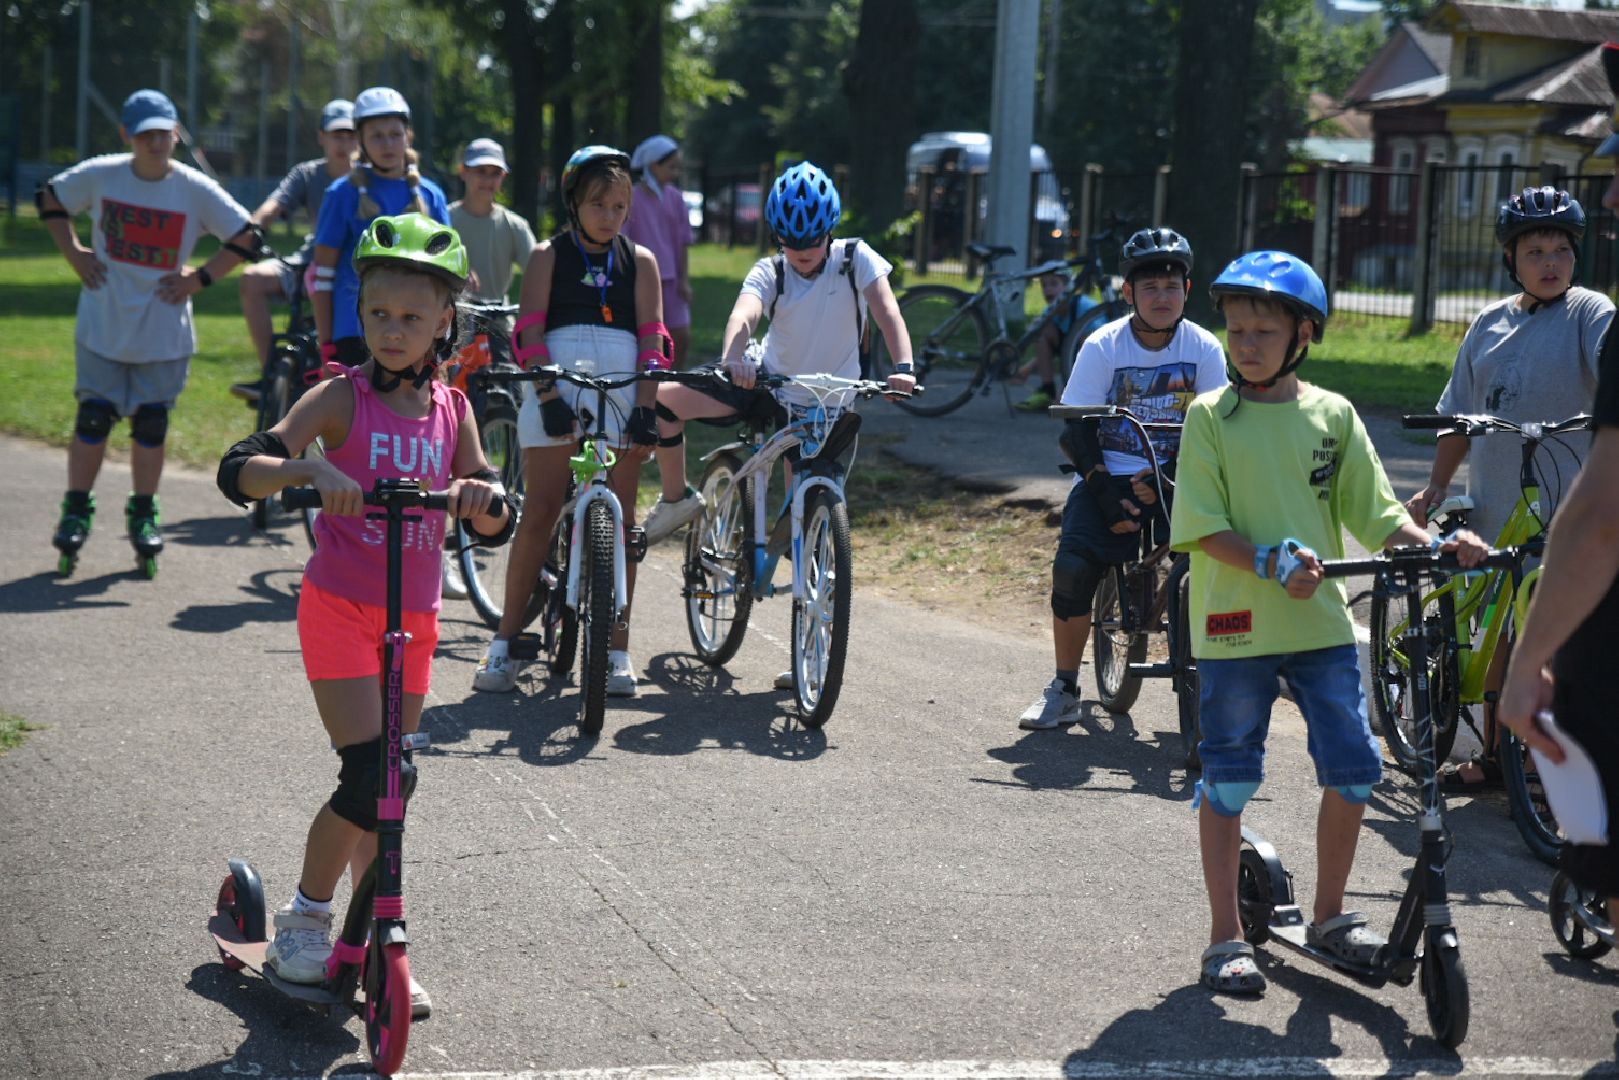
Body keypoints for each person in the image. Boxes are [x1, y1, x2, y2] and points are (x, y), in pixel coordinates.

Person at [215, 213, 515, 1009]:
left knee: (396, 780)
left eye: (411, 317)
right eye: (377, 312)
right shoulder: (339, 398)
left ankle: (376, 935)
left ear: (443, 322)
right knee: (368, 771)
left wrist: (485, 500)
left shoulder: (452, 410)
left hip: (414, 620)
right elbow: (240, 468)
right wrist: (307, 471)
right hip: (341, 609)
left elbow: (491, 508)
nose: (391, 329)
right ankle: (305, 920)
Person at [1169, 250, 1488, 995]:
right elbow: (1202, 527)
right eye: (1235, 329)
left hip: (1316, 626)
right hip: (1233, 626)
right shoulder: (1208, 418)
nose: (1244, 343)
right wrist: (1269, 560)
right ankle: (1223, 938)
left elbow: (1376, 517)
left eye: (1261, 331)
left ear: (1302, 334)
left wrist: (1438, 544)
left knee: (1355, 770)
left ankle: (1330, 916)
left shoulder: (1331, 415)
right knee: (1228, 779)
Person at [1404, 186, 1611, 789]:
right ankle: (1498, 759)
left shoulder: (1590, 314)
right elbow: (1456, 414)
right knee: (1504, 634)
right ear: (1511, 261)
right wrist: (1436, 487)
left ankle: (1549, 769)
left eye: (1561, 251)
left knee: (1553, 639)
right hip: (1498, 507)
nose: (1550, 262)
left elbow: (1610, 368)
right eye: (1535, 251)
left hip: (1567, 511)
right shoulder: (1488, 324)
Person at [638, 160, 915, 557]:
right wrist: (735, 357)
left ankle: (809, 586)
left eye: (812, 241)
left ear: (830, 230)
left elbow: (888, 312)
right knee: (664, 396)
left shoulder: (857, 259)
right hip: (768, 383)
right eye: (790, 241)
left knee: (801, 523)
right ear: (776, 235)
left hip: (827, 403)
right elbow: (745, 313)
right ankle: (676, 496)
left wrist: (903, 367)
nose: (801, 251)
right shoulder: (771, 271)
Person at [38, 88, 261, 575]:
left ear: (177, 134)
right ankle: (76, 508)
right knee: (93, 419)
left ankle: (144, 513)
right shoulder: (102, 174)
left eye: (164, 133)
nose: (156, 143)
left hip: (163, 332)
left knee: (151, 426)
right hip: (104, 323)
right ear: (127, 136)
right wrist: (74, 253)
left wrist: (198, 279)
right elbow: (50, 198)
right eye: (145, 135)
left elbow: (247, 237)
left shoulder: (192, 188)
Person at [472, 146, 667, 697]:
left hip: (621, 392)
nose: (610, 215)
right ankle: (505, 644)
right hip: (557, 387)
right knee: (538, 511)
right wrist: (547, 393)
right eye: (599, 203)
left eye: (620, 206)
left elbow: (653, 340)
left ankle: (617, 650)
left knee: (624, 522)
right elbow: (527, 333)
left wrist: (648, 409)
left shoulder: (641, 263)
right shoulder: (547, 256)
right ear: (574, 202)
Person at [1496, 39, 1619, 904]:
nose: (1610, 194)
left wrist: (1532, 660)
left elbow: (1602, 514)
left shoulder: (1595, 317)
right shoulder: (1489, 326)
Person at [1017, 227, 1225, 730]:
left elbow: (1220, 431)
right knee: (1073, 566)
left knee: (1220, 563)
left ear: (1187, 292)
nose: (1161, 297)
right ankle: (1065, 685)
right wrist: (1106, 491)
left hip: (1181, 477)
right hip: (1108, 475)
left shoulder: (1204, 348)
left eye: (1171, 287)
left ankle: (1220, 681)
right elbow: (1076, 426)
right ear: (1127, 292)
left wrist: (1169, 475)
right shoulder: (1103, 345)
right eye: (1148, 287)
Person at [311, 86, 450, 370]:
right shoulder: (342, 194)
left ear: (408, 137)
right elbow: (322, 276)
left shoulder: (431, 196)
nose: (387, 144)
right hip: (354, 334)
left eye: (395, 135)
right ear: (360, 141)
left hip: (418, 334)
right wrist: (326, 344)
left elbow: (446, 277)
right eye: (376, 136)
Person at [230, 99, 357, 404]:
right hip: (310, 262)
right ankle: (272, 374)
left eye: (350, 135)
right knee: (252, 279)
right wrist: (256, 228)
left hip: (352, 271)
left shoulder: (368, 179)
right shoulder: (307, 174)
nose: (343, 143)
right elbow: (275, 204)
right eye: (336, 135)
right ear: (321, 137)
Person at [624, 135, 695, 368]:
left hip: (673, 281)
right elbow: (623, 239)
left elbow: (683, 243)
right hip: (642, 280)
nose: (676, 173)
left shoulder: (676, 198)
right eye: (671, 167)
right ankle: (649, 386)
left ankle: (674, 381)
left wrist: (684, 279)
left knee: (681, 335)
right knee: (647, 338)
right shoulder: (632, 196)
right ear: (653, 165)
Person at [450, 137, 537, 303]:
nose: (488, 181)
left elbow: (539, 272)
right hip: (450, 318)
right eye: (481, 171)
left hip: (498, 321)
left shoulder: (514, 225)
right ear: (463, 171)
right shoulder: (444, 220)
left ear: (503, 177)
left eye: (495, 174)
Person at [1010, 268, 1099, 412]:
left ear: (1068, 287)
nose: (1047, 289)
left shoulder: (1084, 306)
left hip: (1095, 357)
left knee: (1085, 340)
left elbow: (1095, 346)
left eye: (1053, 284)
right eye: (1044, 285)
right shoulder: (1051, 311)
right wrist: (1027, 369)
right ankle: (1047, 390)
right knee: (1041, 330)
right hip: (1070, 351)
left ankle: (1075, 393)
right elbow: (1054, 348)